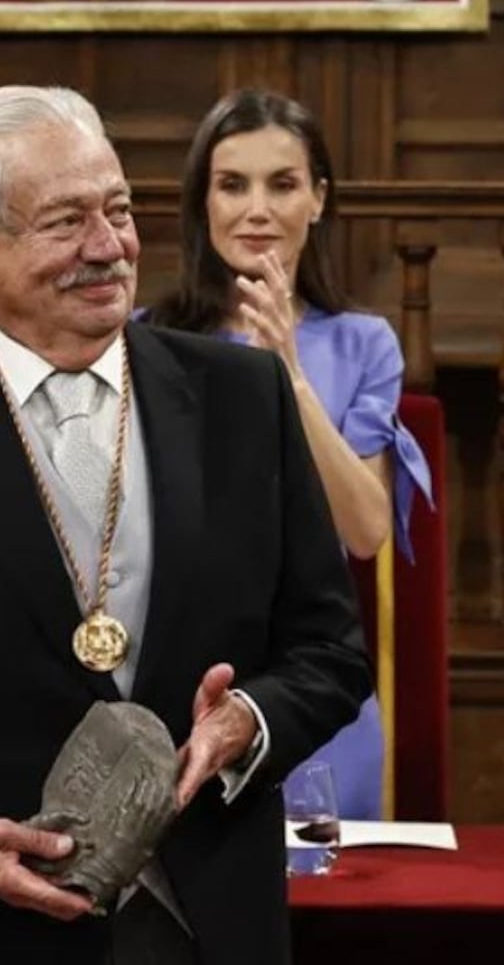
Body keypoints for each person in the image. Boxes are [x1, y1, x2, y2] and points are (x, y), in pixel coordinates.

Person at [0, 85, 372, 965]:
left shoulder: (243, 398)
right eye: (65, 222)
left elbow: (330, 649)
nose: (108, 247)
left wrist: (248, 719)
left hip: (210, 925)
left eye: (118, 210)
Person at [146, 88, 433, 819]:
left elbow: (366, 532)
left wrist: (288, 373)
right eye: (232, 184)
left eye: (283, 184)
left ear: (318, 199)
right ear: (202, 203)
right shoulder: (149, 340)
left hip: (314, 688)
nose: (257, 209)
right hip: (177, 686)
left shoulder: (364, 343)